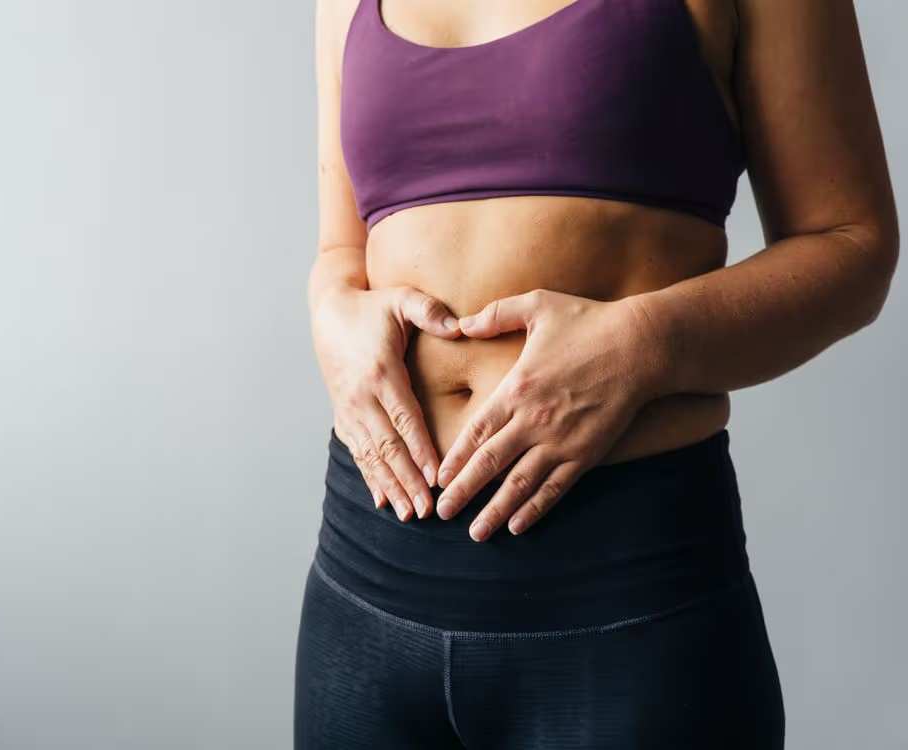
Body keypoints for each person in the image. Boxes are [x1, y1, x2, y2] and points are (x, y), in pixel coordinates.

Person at [295, 0, 899, 747]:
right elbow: (342, 251)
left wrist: (646, 343)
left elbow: (852, 245)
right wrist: (330, 311)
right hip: (366, 589)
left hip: (624, 598)